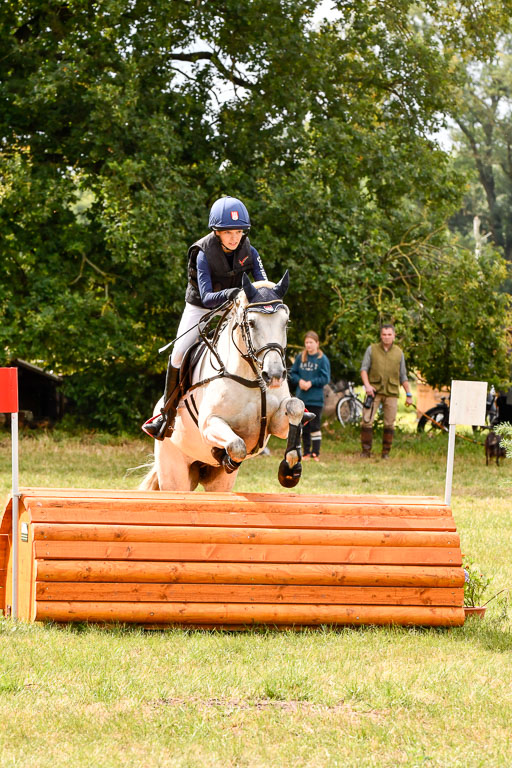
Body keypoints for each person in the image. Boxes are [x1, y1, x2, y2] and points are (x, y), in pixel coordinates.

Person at [142, 196, 267, 440]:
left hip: (235, 306)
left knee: (263, 342)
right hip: (201, 307)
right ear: (217, 232)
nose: (234, 237)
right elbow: (208, 297)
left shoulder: (250, 251)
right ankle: (165, 415)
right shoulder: (202, 253)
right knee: (178, 352)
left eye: (239, 231)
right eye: (228, 232)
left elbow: (262, 285)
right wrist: (233, 293)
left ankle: (276, 402)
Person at [360, 324, 413, 458]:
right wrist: (367, 386)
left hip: (392, 392)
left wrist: (409, 394)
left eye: (389, 334)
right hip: (374, 391)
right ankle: (366, 452)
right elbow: (364, 369)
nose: (386, 337)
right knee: (367, 420)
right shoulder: (371, 349)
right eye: (384, 334)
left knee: (389, 422)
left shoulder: (399, 353)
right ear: (380, 335)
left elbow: (403, 376)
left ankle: (385, 453)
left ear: (394, 336)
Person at [289, 331, 331, 461]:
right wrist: (300, 381)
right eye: (306, 343)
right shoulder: (301, 357)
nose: (309, 345)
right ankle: (306, 452)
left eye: (311, 342)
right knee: (304, 426)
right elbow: (293, 373)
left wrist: (311, 383)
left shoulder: (322, 359)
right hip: (302, 398)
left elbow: (325, 378)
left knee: (315, 425)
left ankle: (315, 452)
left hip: (316, 399)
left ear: (317, 343)